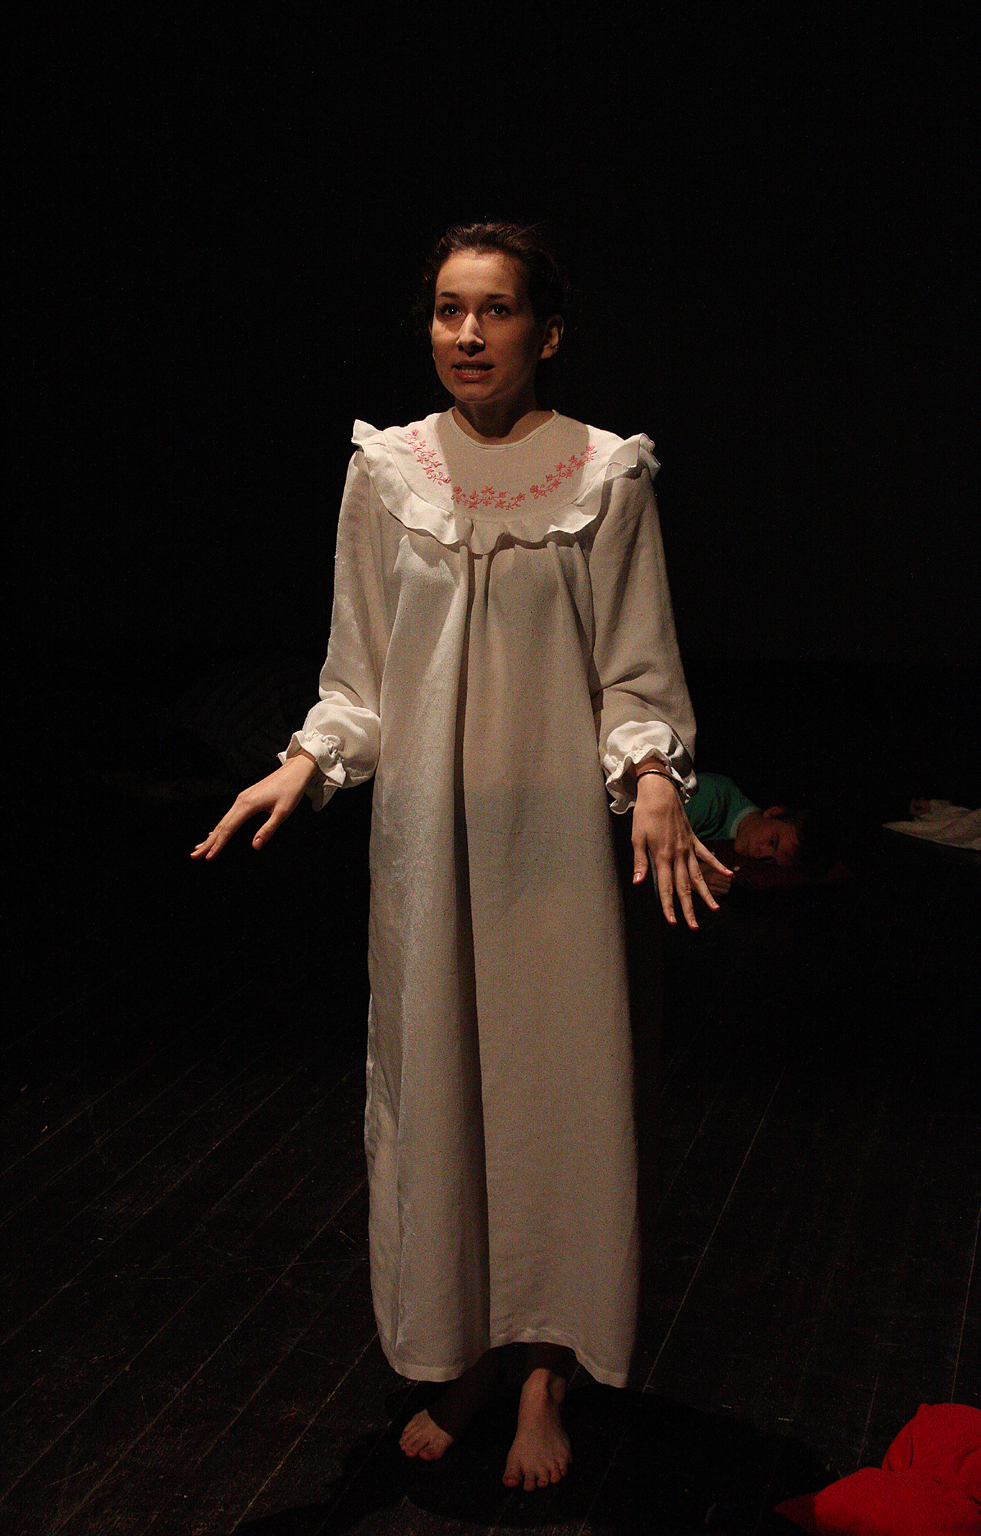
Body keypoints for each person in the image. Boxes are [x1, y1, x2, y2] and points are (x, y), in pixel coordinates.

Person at [191, 222, 732, 1491]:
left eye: (495, 309)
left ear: (548, 331)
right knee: (440, 1094)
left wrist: (654, 776)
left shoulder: (607, 474)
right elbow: (360, 672)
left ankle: (544, 1372)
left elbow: (635, 672)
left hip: (555, 852)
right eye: (447, 309)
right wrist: (308, 759)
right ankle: (467, 1353)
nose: (468, 334)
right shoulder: (388, 472)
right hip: (428, 851)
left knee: (556, 1097)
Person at [683, 772, 841, 890]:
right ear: (774, 812)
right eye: (772, 842)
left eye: (771, 860)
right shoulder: (712, 799)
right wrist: (691, 877)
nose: (760, 855)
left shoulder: (736, 838)